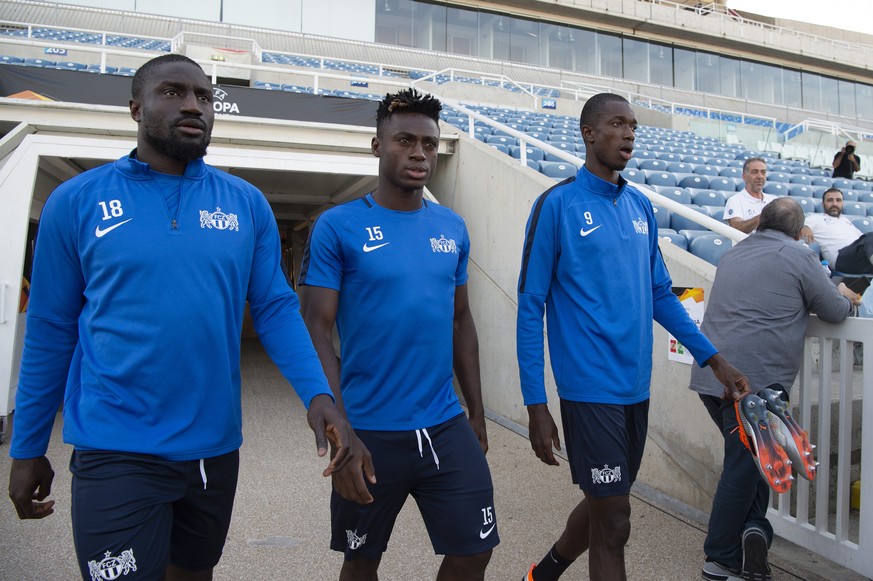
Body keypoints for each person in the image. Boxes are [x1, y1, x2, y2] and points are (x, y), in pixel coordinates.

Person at [7, 54, 368, 581]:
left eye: (203, 95)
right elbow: (50, 330)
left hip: (213, 451)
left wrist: (319, 397)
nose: (194, 105)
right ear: (136, 108)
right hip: (115, 450)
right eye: (173, 93)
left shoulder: (246, 204)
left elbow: (273, 309)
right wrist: (28, 446)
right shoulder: (76, 202)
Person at [516, 92, 749, 581]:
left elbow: (661, 295)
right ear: (589, 132)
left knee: (607, 502)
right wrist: (536, 404)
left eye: (634, 126)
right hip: (587, 390)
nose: (629, 134)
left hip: (634, 389)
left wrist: (714, 359)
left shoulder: (641, 206)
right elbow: (530, 305)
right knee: (617, 521)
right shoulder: (556, 205)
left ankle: (546, 572)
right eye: (617, 124)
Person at [298, 88, 497, 581]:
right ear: (377, 145)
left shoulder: (451, 227)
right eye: (405, 140)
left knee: (475, 551)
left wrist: (476, 410)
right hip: (368, 430)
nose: (419, 153)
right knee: (362, 560)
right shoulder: (338, 226)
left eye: (429, 144)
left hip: (445, 423)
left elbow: (460, 320)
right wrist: (338, 424)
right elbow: (317, 329)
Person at [690, 197, 857, 581]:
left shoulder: (733, 254)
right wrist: (847, 301)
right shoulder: (799, 255)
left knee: (755, 460)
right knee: (742, 466)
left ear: (761, 221)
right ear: (800, 233)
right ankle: (719, 559)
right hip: (753, 385)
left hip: (712, 376)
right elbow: (832, 309)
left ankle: (754, 534)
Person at [802, 187, 873, 275]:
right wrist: (804, 226)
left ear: (842, 203)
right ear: (823, 203)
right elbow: (797, 226)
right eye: (830, 200)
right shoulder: (815, 218)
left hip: (861, 258)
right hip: (841, 259)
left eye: (838, 200)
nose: (835, 203)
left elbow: (865, 240)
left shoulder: (846, 221)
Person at [723, 157, 776, 234]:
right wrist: (764, 216)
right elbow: (736, 229)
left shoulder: (773, 201)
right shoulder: (735, 201)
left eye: (763, 172)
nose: (760, 176)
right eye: (754, 172)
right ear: (745, 177)